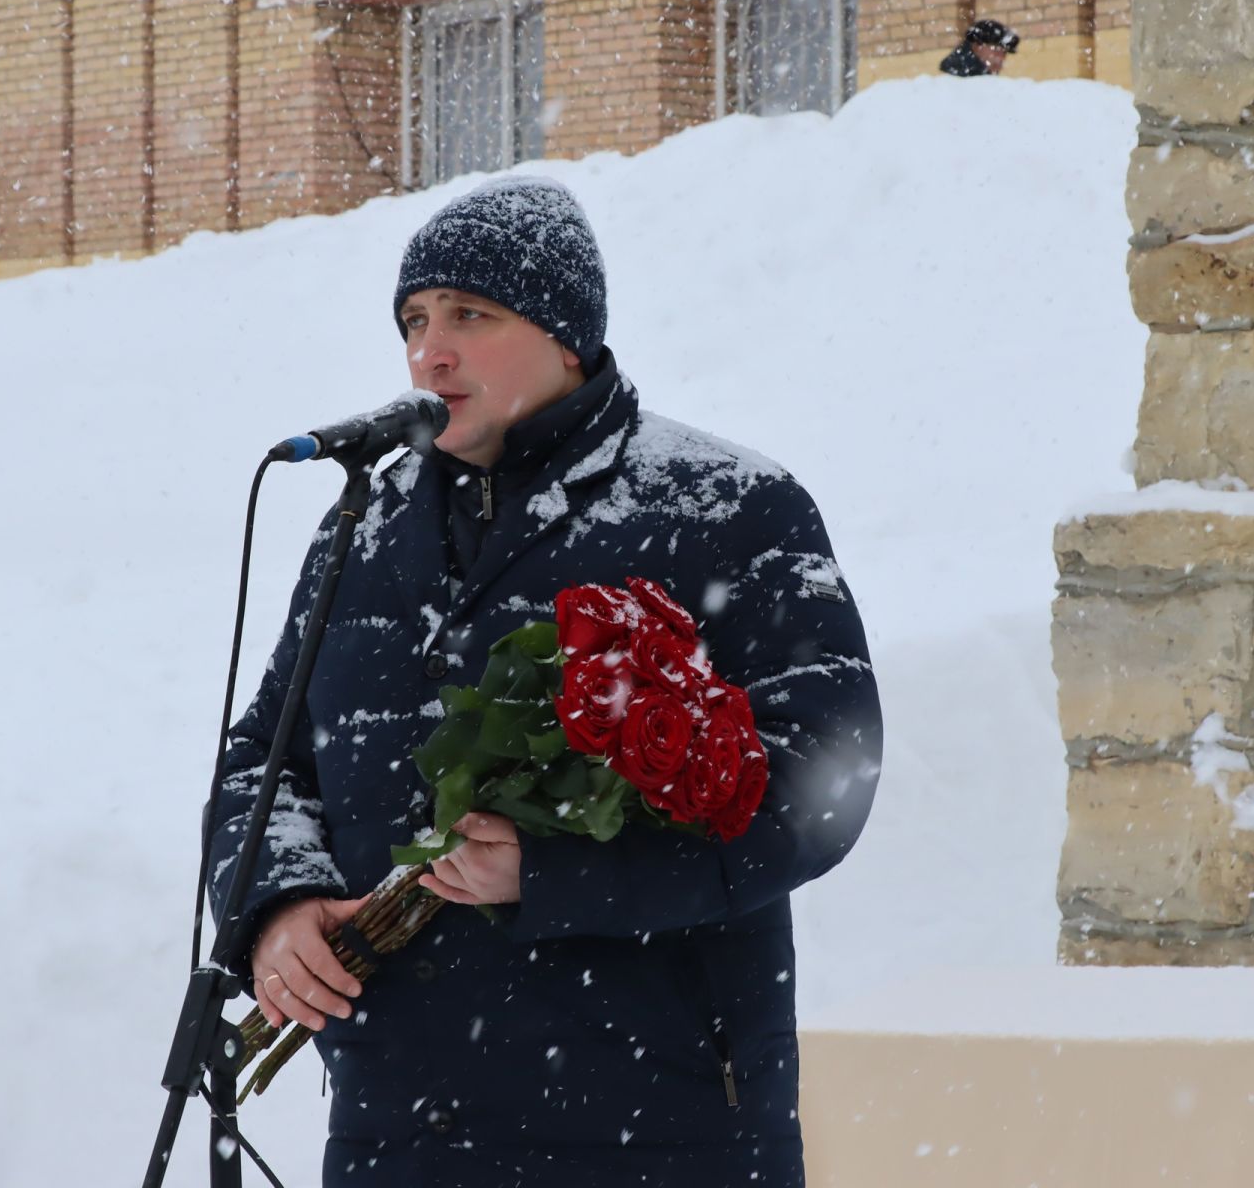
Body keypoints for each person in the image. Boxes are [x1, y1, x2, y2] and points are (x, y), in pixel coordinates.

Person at [205, 175, 884, 1187]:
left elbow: (823, 781)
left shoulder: (732, 508)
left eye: (471, 315)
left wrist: (555, 873)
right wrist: (279, 905)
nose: (430, 349)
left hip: (661, 1127)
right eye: (415, 318)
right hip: (403, 1130)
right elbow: (265, 756)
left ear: (569, 336)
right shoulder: (364, 523)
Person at [941, 19, 1021, 77]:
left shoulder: (980, 78)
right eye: (996, 50)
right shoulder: (961, 82)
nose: (1001, 57)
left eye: (1004, 52)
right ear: (976, 46)